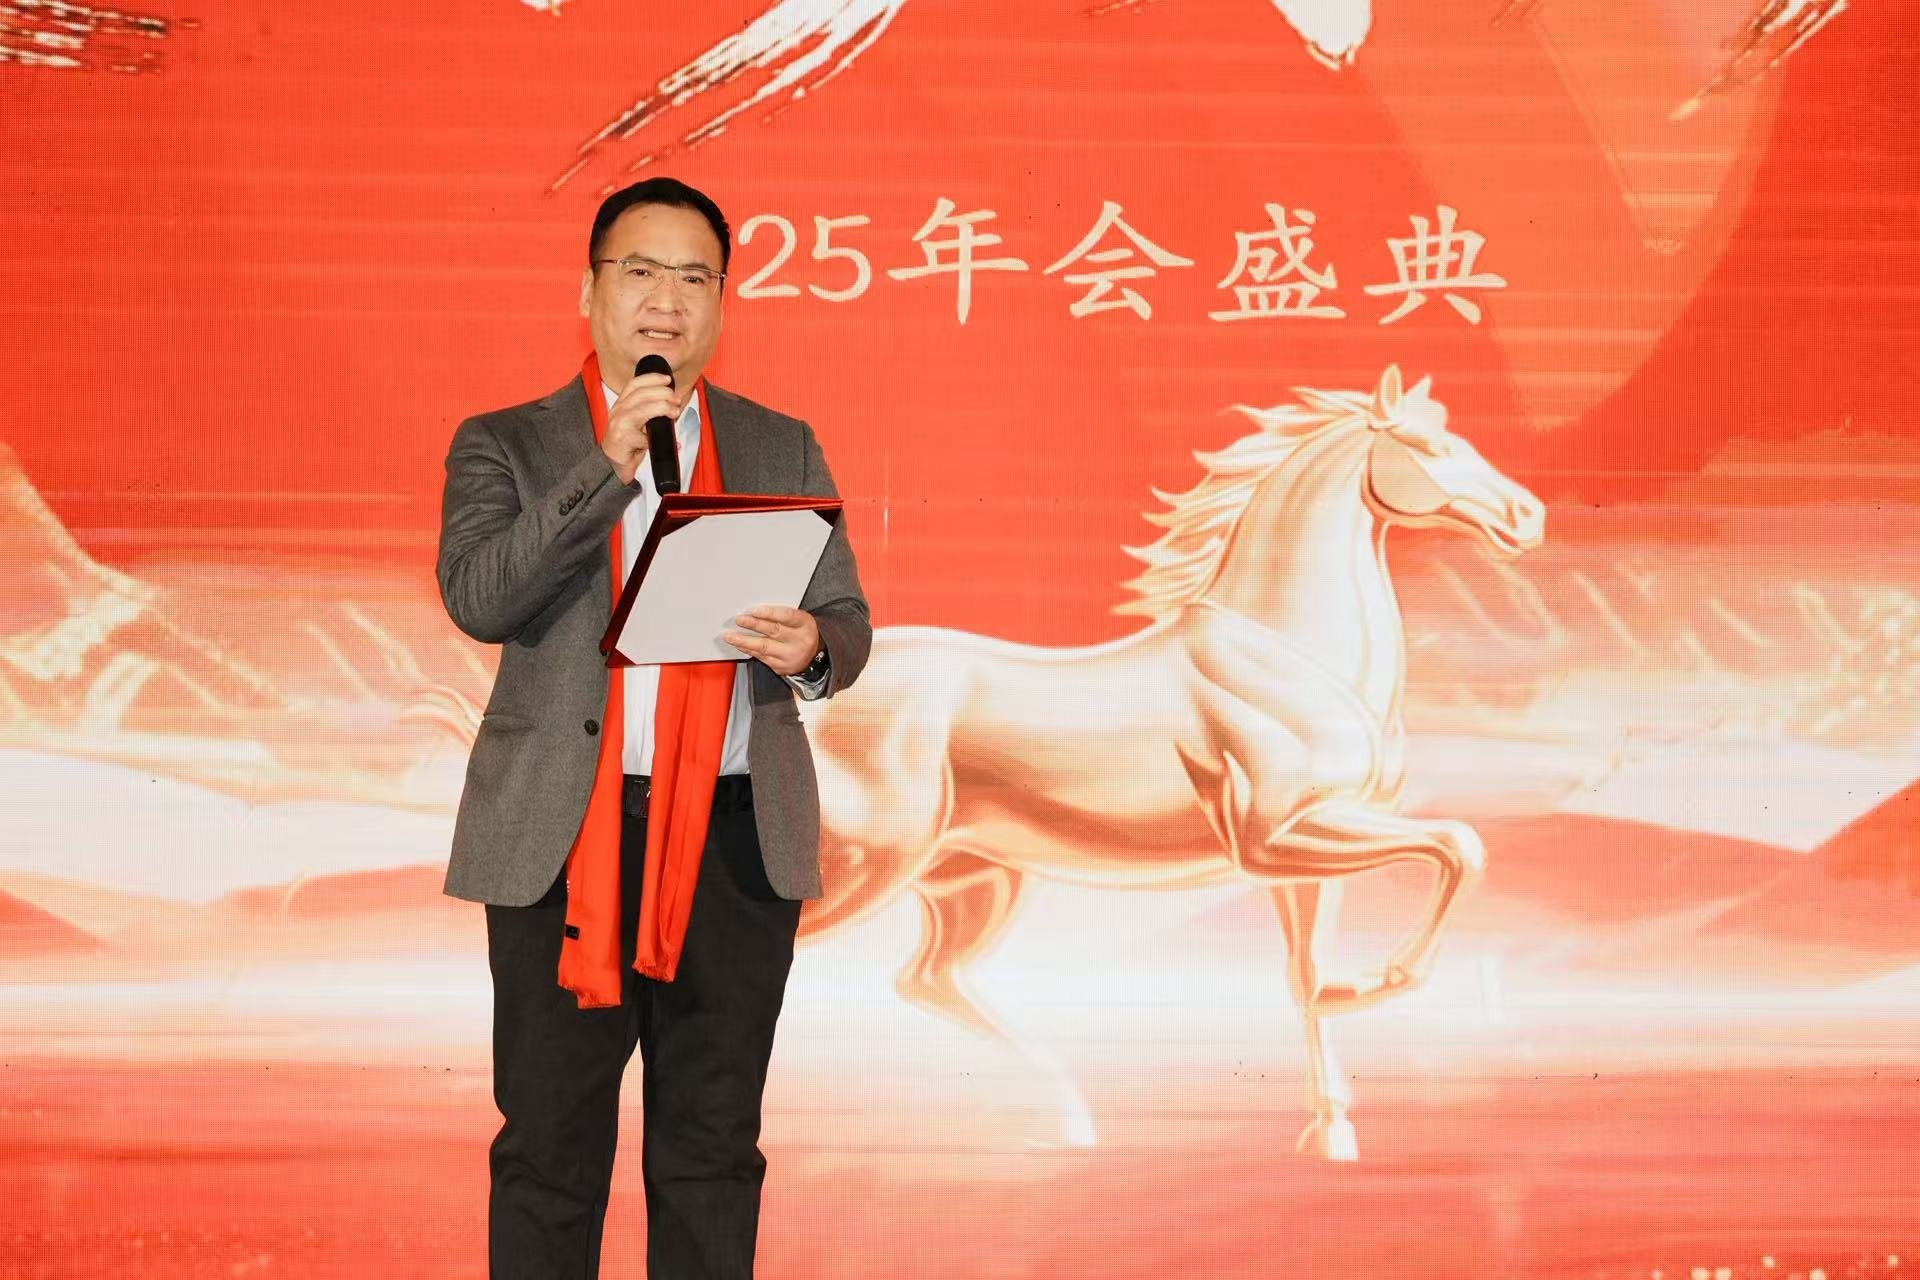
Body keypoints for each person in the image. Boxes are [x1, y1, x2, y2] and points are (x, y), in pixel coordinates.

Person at [436, 176, 871, 1279]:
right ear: (589, 292)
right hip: (563, 844)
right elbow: (482, 596)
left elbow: (848, 621)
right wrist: (607, 461)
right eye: (640, 272)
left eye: (694, 277)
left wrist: (811, 644)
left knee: (713, 1153)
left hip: (733, 843)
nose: (667, 301)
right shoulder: (507, 442)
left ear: (722, 301)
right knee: (549, 1153)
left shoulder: (780, 443)